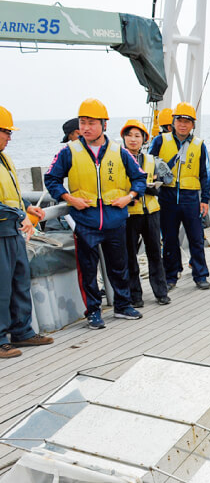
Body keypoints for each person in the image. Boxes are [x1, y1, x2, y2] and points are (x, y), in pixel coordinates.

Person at [44, 99, 147, 329]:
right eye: (83, 122)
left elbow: (140, 178)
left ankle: (122, 305)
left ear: (104, 124)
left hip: (115, 220)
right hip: (85, 221)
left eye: (91, 122)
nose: (86, 127)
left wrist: (128, 197)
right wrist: (69, 199)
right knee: (88, 270)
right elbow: (51, 178)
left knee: (119, 266)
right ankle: (93, 311)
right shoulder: (69, 152)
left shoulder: (119, 152)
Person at [0, 106, 54, 358]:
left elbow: (10, 194)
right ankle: (1, 339)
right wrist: (21, 215)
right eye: (6, 132)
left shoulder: (5, 158)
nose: (10, 137)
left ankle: (22, 331)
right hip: (2, 231)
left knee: (19, 282)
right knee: (1, 287)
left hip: (12, 231)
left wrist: (25, 206)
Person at [149, 102, 210, 290]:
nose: (183, 125)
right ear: (173, 122)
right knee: (169, 238)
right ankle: (171, 275)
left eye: (187, 121)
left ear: (193, 124)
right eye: (179, 121)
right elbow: (149, 164)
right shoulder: (160, 141)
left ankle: (200, 275)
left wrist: (205, 199)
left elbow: (204, 174)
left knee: (196, 237)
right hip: (167, 196)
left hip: (190, 197)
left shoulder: (199, 145)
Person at [121, 119, 171, 307]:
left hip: (150, 211)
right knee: (130, 255)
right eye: (129, 135)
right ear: (124, 138)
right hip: (130, 213)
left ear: (144, 139)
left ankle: (161, 292)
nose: (133, 140)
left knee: (155, 253)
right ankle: (135, 296)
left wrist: (156, 184)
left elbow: (167, 178)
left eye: (137, 136)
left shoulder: (151, 160)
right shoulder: (118, 159)